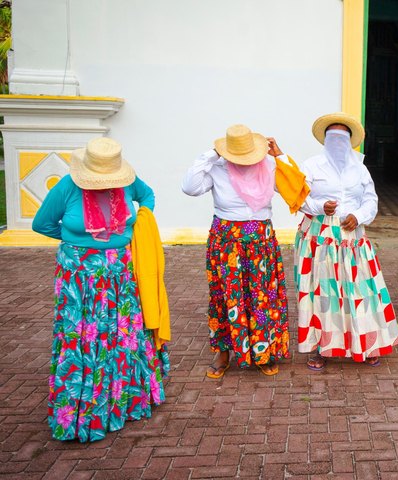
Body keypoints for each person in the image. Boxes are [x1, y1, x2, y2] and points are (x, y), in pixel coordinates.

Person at [32, 137, 168, 442]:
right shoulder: (68, 186)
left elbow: (148, 197)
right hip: (80, 277)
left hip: (121, 274)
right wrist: (78, 242)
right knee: (83, 334)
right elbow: (42, 224)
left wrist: (139, 225)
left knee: (122, 335)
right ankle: (85, 410)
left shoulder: (129, 183)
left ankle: (124, 403)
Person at [182, 124, 290, 378]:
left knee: (262, 295)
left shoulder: (268, 166)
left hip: (260, 240)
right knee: (225, 295)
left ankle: (264, 352)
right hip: (226, 241)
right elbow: (190, 187)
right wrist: (210, 155)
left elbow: (294, 185)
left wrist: (280, 156)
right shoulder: (218, 168)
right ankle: (223, 352)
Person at [295, 112, 398, 371]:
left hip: (352, 236)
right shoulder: (311, 166)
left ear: (351, 141)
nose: (337, 143)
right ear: (324, 141)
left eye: (343, 137)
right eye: (332, 137)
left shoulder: (360, 168)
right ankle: (319, 348)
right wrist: (320, 206)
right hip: (318, 238)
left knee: (360, 291)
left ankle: (366, 345)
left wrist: (358, 215)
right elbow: (299, 197)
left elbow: (371, 199)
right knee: (321, 293)